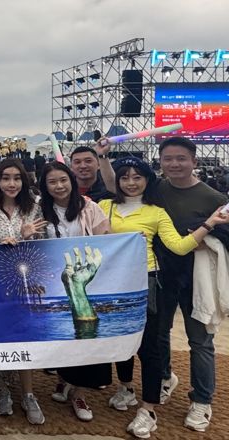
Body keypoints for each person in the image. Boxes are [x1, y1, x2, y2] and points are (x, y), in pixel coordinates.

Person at [97, 156, 229, 438]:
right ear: (117, 180)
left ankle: (148, 409)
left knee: (150, 347)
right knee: (121, 340)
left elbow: (179, 247)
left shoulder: (156, 212)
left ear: (148, 180)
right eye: (125, 177)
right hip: (112, 284)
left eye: (137, 177)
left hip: (145, 283)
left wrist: (208, 225)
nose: (131, 183)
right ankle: (127, 388)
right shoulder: (103, 206)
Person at [153, 137, 227, 432]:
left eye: (181, 158)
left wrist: (205, 237)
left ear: (194, 161)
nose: (174, 164)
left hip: (197, 278)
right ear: (160, 162)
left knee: (200, 340)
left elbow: (226, 235)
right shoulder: (156, 190)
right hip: (162, 274)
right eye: (168, 158)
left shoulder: (212, 197)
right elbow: (118, 190)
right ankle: (165, 378)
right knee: (159, 334)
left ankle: (202, 399)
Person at [0, 158, 46, 425]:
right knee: (1, 337)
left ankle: (28, 394)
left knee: (25, 337)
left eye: (17, 178)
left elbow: (45, 246)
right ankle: (3, 388)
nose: (11, 183)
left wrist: (26, 235)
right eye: (6, 178)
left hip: (28, 284)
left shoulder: (35, 208)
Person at [37, 162, 111, 421]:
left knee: (86, 338)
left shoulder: (90, 208)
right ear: (45, 186)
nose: (59, 186)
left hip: (87, 283)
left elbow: (108, 241)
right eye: (52, 182)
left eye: (63, 180)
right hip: (52, 285)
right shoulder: (39, 210)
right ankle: (63, 379)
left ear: (71, 180)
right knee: (61, 336)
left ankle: (79, 393)